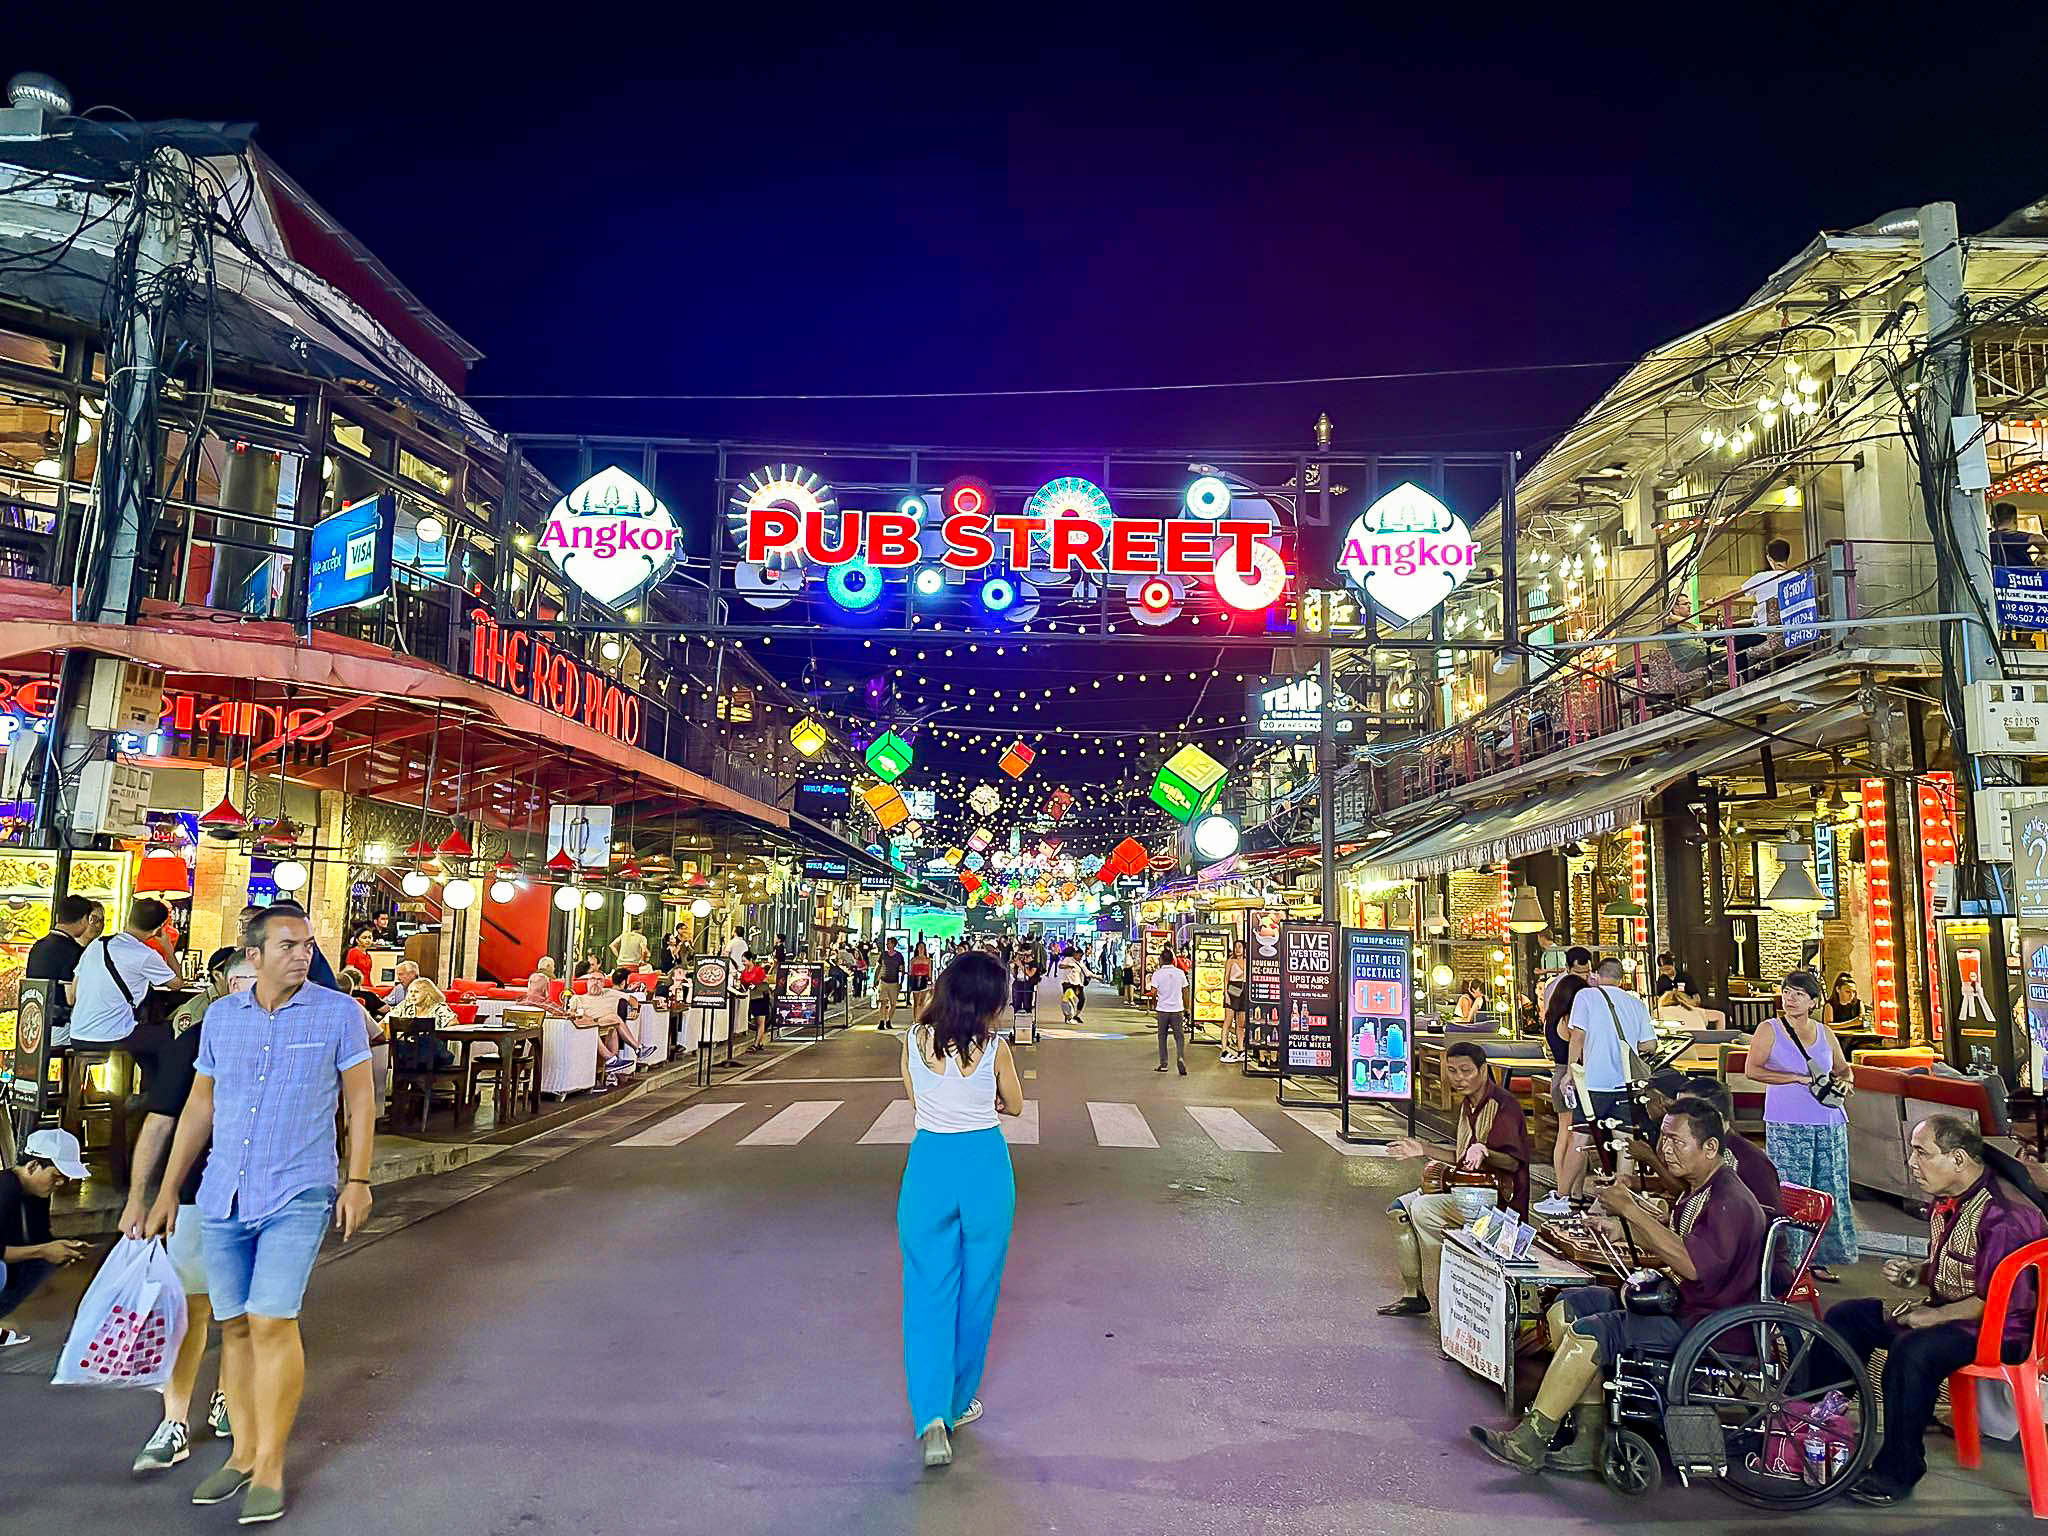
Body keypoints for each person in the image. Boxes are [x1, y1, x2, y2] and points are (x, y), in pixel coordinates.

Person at [145, 907, 375, 1525]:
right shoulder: (222, 1017)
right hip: (223, 1192)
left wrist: (357, 1179)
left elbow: (359, 1099)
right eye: (287, 945)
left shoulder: (337, 1014)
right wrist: (167, 1191)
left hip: (299, 1189)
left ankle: (271, 1462)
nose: (302, 955)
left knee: (273, 1320)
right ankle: (242, 1454)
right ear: (253, 955)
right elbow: (199, 1107)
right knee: (235, 1325)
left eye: (307, 945)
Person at [1472, 1100, 1767, 1474]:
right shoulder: (1702, 1188)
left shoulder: (1729, 1200)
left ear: (1710, 1147)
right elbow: (1680, 1241)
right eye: (1664, 1140)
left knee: (1591, 1333)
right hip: (1678, 1303)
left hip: (1702, 1324)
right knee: (1568, 1307)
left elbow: (1692, 1265)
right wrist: (1620, 1227)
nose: (1665, 1150)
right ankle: (1588, 1438)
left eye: (1677, 1142)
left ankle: (1531, 1438)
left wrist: (1630, 1210)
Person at [1830, 1114, 2048, 1506]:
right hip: (1955, 1311)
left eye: (1921, 1153)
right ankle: (1818, 1417)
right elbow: (1966, 1265)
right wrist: (1920, 1272)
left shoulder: (2004, 1214)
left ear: (1959, 1159)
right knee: (1848, 1317)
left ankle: (1898, 1471)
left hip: (2004, 1331)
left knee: (1912, 1351)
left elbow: (2002, 1299)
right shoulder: (1953, 1197)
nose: (1912, 1164)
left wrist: (1933, 1316)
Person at [123, 946, 253, 1470]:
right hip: (199, 1191)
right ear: (219, 983)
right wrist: (142, 1196)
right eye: (240, 977)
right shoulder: (196, 1040)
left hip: (266, 1195)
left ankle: (225, 1398)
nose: (250, 985)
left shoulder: (292, 1039)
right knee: (192, 1308)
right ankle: (173, 1420)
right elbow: (158, 1121)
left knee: (243, 1309)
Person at [895, 950, 1023, 1468]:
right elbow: (1014, 1105)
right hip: (984, 1167)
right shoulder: (997, 1049)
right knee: (977, 1291)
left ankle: (930, 1416)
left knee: (927, 1290)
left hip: (928, 1166)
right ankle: (955, 1403)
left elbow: (915, 1100)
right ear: (989, 1001)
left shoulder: (914, 1039)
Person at [1379, 1042, 1533, 1317]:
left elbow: (1512, 1161)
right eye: (1452, 1071)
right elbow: (1461, 1156)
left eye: (1465, 1071)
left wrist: (1486, 1150)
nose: (1458, 1078)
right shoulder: (1468, 1105)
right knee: (1398, 1210)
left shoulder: (1503, 1106)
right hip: (1465, 1190)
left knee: (1423, 1209)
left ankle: (1459, 1278)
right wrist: (1424, 1148)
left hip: (1497, 1204)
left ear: (1483, 1070)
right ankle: (1413, 1294)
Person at [1746, 970, 1858, 1281]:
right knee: (1792, 1188)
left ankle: (1819, 1257)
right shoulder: (1769, 1029)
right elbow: (1753, 1070)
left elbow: (1843, 1069)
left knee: (1829, 1188)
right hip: (1788, 1119)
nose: (1790, 998)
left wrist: (1846, 1083)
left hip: (1829, 1119)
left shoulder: (1824, 1032)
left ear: (1813, 1001)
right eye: (1786, 992)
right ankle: (1789, 1259)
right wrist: (1794, 1078)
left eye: (1798, 994)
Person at [0, 1128, 90, 1347]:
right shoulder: (4, 1189)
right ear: (32, 1166)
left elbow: (40, 1238)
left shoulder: (37, 1195)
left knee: (43, 1264)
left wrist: (63, 1249)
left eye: (64, 1179)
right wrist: (44, 1250)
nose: (59, 1184)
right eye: (56, 1176)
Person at [64, 895, 179, 1050]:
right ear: (158, 930)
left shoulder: (97, 944)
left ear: (128, 918)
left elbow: (74, 993)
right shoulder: (146, 954)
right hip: (114, 1037)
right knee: (170, 1034)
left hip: (77, 1035)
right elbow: (177, 984)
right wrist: (169, 950)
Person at [1534, 972, 1593, 1218]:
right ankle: (1565, 1191)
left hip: (1557, 1076)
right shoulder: (1571, 1021)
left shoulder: (1551, 1019)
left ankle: (1569, 1191)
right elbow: (1579, 1053)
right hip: (1572, 1078)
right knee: (1573, 1137)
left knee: (1564, 1134)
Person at [26, 895, 102, 1025]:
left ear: (57, 917)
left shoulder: (38, 945)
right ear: (84, 920)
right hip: (59, 1025)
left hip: (33, 1020)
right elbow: (71, 998)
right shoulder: (72, 951)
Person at [1150, 946, 1189, 1076]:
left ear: (1161, 960)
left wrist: (1155, 1003)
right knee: (1179, 1037)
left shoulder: (1157, 974)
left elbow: (1154, 992)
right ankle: (1180, 1057)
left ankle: (1164, 1063)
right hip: (1177, 1009)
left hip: (1162, 1010)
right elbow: (1185, 991)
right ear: (1173, 959)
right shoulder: (1180, 973)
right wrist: (1187, 1007)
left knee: (1162, 1036)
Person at [1538, 945, 1592, 1019]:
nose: (1583, 977)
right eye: (1577, 973)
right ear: (1567, 967)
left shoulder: (1594, 982)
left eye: (1587, 972)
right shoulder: (1554, 989)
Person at [1992, 502, 2044, 569]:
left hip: (1995, 577)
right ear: (2014, 520)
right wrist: (2044, 555)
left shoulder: (1988, 539)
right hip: (2023, 577)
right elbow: (2038, 538)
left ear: (1992, 520)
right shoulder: (2012, 537)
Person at [1221, 941, 1248, 1064]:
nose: (1237, 949)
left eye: (1240, 947)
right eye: (1236, 947)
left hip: (1244, 992)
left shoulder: (1248, 961)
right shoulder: (1230, 961)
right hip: (1232, 991)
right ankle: (1224, 1050)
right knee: (1228, 1021)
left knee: (1241, 1023)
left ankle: (1241, 1049)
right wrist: (1225, 994)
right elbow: (1225, 978)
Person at [1056, 947, 1093, 1023]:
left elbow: (1086, 972)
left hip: (1077, 984)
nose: (1080, 958)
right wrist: (1069, 966)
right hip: (1068, 984)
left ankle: (1076, 1016)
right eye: (1079, 956)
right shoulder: (1068, 959)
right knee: (1069, 1000)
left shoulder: (1080, 962)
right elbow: (1060, 966)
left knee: (1082, 999)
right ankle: (1068, 1017)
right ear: (1075, 954)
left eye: (1081, 956)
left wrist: (1097, 977)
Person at [877, 938, 905, 1031]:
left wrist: (901, 982)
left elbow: (902, 969)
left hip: (894, 982)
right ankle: (881, 1021)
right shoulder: (884, 954)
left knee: (893, 1004)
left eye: (889, 943)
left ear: (893, 944)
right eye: (887, 943)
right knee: (883, 1001)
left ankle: (888, 1020)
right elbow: (879, 966)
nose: (887, 945)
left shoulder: (899, 956)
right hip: (884, 980)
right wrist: (877, 979)